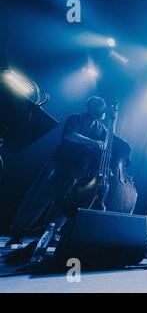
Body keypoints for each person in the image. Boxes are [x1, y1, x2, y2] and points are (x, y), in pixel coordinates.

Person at [4, 96, 108, 246]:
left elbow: (106, 147)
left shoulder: (102, 128)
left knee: (64, 203)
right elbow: (70, 136)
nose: (99, 109)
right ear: (89, 106)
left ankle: (51, 234)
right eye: (97, 105)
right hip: (60, 163)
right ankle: (18, 232)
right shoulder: (75, 118)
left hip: (78, 170)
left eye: (101, 106)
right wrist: (93, 142)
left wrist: (112, 121)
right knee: (39, 196)